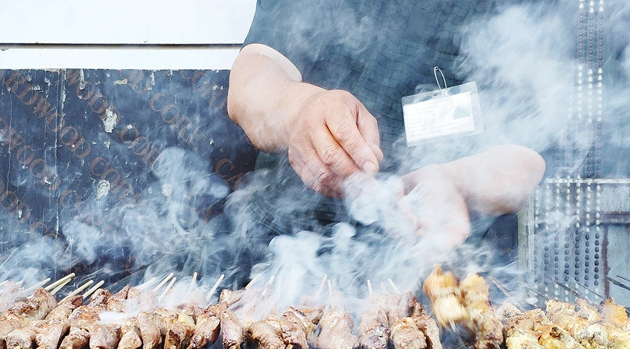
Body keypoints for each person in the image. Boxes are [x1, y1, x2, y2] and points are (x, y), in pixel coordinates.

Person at [227, 0, 546, 254]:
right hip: (286, 256)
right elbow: (250, 78)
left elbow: (533, 153)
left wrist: (455, 180)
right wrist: (298, 108)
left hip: (441, 261)